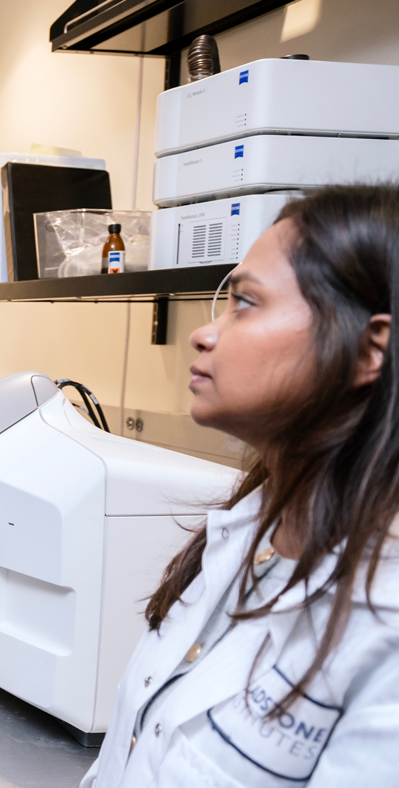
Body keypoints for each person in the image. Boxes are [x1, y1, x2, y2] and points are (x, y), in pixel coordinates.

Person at [83, 184, 399, 787]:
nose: (203, 335)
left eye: (246, 303)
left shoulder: (384, 624)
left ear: (369, 350)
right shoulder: (244, 534)